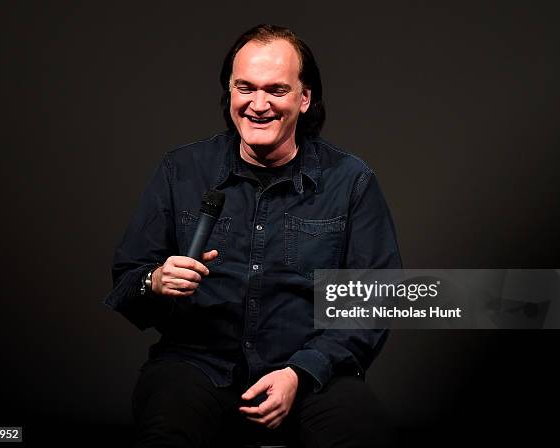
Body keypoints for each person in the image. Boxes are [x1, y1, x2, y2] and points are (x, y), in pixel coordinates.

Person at [104, 24, 402, 447]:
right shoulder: (181, 170)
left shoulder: (351, 181)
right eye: (245, 88)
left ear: (305, 98)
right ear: (230, 93)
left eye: (276, 90)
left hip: (307, 371)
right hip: (196, 366)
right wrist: (154, 281)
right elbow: (128, 280)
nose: (258, 105)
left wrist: (300, 372)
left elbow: (375, 300)